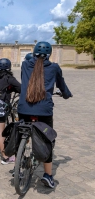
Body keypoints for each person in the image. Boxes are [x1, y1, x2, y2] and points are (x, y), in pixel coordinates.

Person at [17, 41, 72, 188]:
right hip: (44, 111)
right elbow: (62, 86)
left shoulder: (25, 65)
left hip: (24, 108)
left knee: (22, 132)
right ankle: (48, 176)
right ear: (49, 54)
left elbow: (25, 81)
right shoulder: (54, 67)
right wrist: (66, 94)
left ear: (34, 52)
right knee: (47, 141)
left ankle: (20, 158)